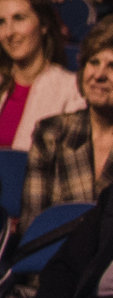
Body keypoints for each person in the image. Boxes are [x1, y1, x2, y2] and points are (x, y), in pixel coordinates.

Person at [0, 0, 82, 151]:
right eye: (1, 22)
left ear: (43, 25)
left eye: (19, 18)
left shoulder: (71, 89)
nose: (9, 32)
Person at [26, 24, 113, 217]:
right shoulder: (51, 133)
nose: (99, 75)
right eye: (94, 62)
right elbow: (33, 223)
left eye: (112, 66)